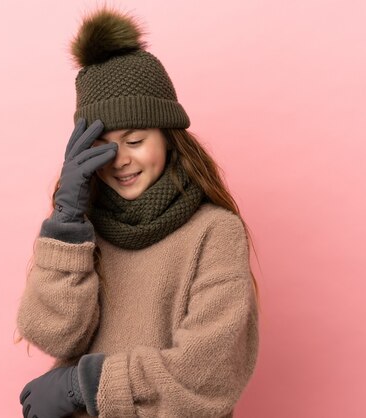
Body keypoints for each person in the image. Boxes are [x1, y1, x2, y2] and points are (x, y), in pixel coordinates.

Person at [14, 6, 260, 418]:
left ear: (166, 137)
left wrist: (81, 386)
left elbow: (207, 376)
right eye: (102, 147)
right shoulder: (83, 229)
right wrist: (66, 224)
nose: (120, 160)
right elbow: (52, 335)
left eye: (134, 140)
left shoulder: (215, 232)